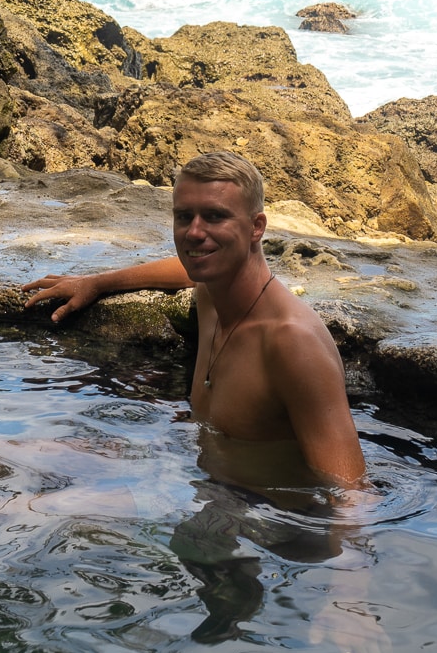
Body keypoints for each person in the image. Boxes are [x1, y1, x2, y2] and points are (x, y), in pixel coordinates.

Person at [22, 150, 366, 489]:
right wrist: (97, 282)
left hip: (270, 528)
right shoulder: (213, 294)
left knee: (34, 507)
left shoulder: (291, 341)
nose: (194, 233)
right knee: (14, 456)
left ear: (256, 227)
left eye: (215, 217)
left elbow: (351, 496)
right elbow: (186, 270)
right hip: (205, 493)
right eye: (184, 217)